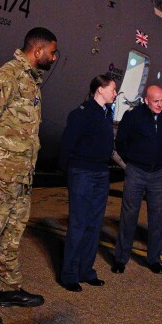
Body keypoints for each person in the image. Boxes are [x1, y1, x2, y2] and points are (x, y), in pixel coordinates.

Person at [0, 27, 59, 324]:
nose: (54, 58)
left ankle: (9, 289)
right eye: (52, 52)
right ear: (38, 50)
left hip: (21, 174)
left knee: (13, 233)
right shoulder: (7, 76)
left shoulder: (31, 81)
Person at [58, 75, 117, 291]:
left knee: (94, 224)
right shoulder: (81, 114)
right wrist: (70, 174)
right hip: (82, 173)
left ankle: (86, 270)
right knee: (78, 224)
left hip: (101, 173)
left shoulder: (106, 114)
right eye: (112, 88)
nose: (115, 93)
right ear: (100, 90)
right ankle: (69, 274)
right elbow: (66, 145)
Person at [112, 85, 162, 275]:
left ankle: (154, 259)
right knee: (129, 216)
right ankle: (120, 258)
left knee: (156, 217)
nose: (160, 104)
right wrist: (133, 160)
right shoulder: (133, 116)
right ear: (146, 100)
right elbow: (121, 142)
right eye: (156, 101)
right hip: (136, 172)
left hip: (158, 173)